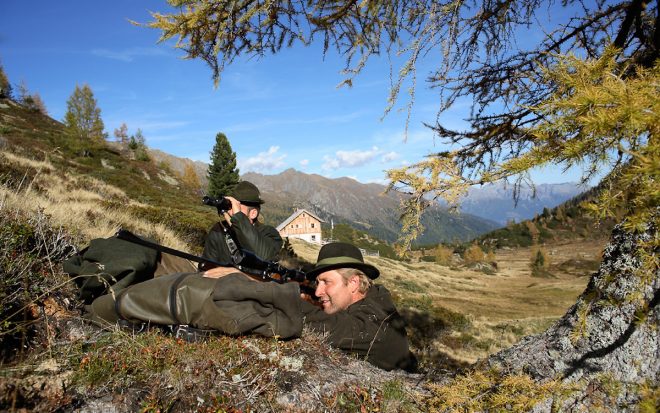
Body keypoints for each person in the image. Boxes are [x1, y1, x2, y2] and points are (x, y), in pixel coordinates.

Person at [300, 242, 417, 372]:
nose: (317, 292)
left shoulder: (375, 322)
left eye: (326, 282)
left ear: (353, 283)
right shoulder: (375, 301)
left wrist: (286, 300)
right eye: (317, 283)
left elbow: (333, 328)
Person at [200, 180, 283, 271]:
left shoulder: (269, 233)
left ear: (253, 214)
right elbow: (205, 270)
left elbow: (264, 256)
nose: (232, 210)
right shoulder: (219, 230)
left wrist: (238, 216)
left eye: (236, 207)